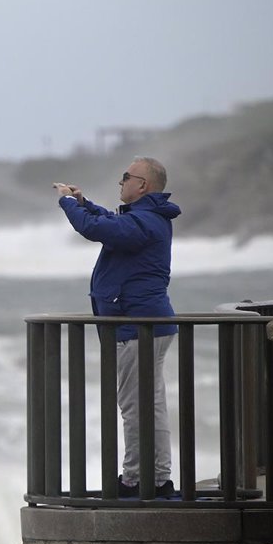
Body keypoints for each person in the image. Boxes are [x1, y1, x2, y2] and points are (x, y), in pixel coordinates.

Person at [52, 157, 181, 499]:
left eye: (127, 177)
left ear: (143, 186)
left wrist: (67, 204)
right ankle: (157, 479)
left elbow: (96, 229)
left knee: (135, 407)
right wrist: (84, 203)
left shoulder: (145, 223)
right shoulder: (145, 219)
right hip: (145, 323)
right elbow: (107, 220)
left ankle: (136, 481)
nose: (120, 182)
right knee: (148, 405)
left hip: (137, 325)